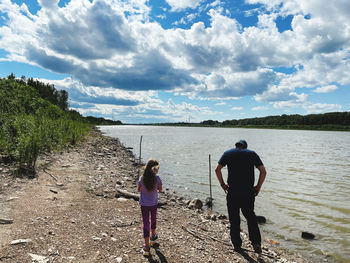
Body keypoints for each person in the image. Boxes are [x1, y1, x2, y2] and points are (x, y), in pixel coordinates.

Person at [215, 140, 266, 253]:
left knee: (234, 218)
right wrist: (258, 187)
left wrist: (223, 184)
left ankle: (237, 244)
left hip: (233, 191)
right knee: (250, 216)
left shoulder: (228, 153)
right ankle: (256, 243)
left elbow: (217, 169)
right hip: (248, 192)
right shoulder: (252, 154)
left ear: (236, 146)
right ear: (245, 147)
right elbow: (263, 171)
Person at [138, 159, 163, 257]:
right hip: (153, 203)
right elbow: (160, 189)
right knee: (153, 220)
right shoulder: (157, 179)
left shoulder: (142, 178)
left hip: (144, 204)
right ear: (155, 169)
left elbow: (139, 189)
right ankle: (153, 238)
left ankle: (147, 246)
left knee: (146, 223)